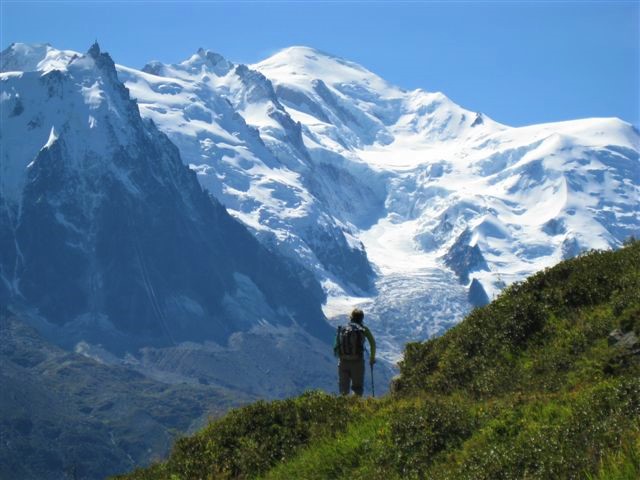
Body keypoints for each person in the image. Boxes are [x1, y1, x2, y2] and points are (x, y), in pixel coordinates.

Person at [334, 308, 376, 396]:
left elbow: (336, 346)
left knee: (343, 389)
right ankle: (355, 407)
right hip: (357, 362)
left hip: (343, 362)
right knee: (357, 388)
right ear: (362, 318)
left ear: (351, 317)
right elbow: (372, 343)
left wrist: (341, 356)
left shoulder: (343, 329)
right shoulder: (363, 329)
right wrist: (372, 358)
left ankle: (343, 408)